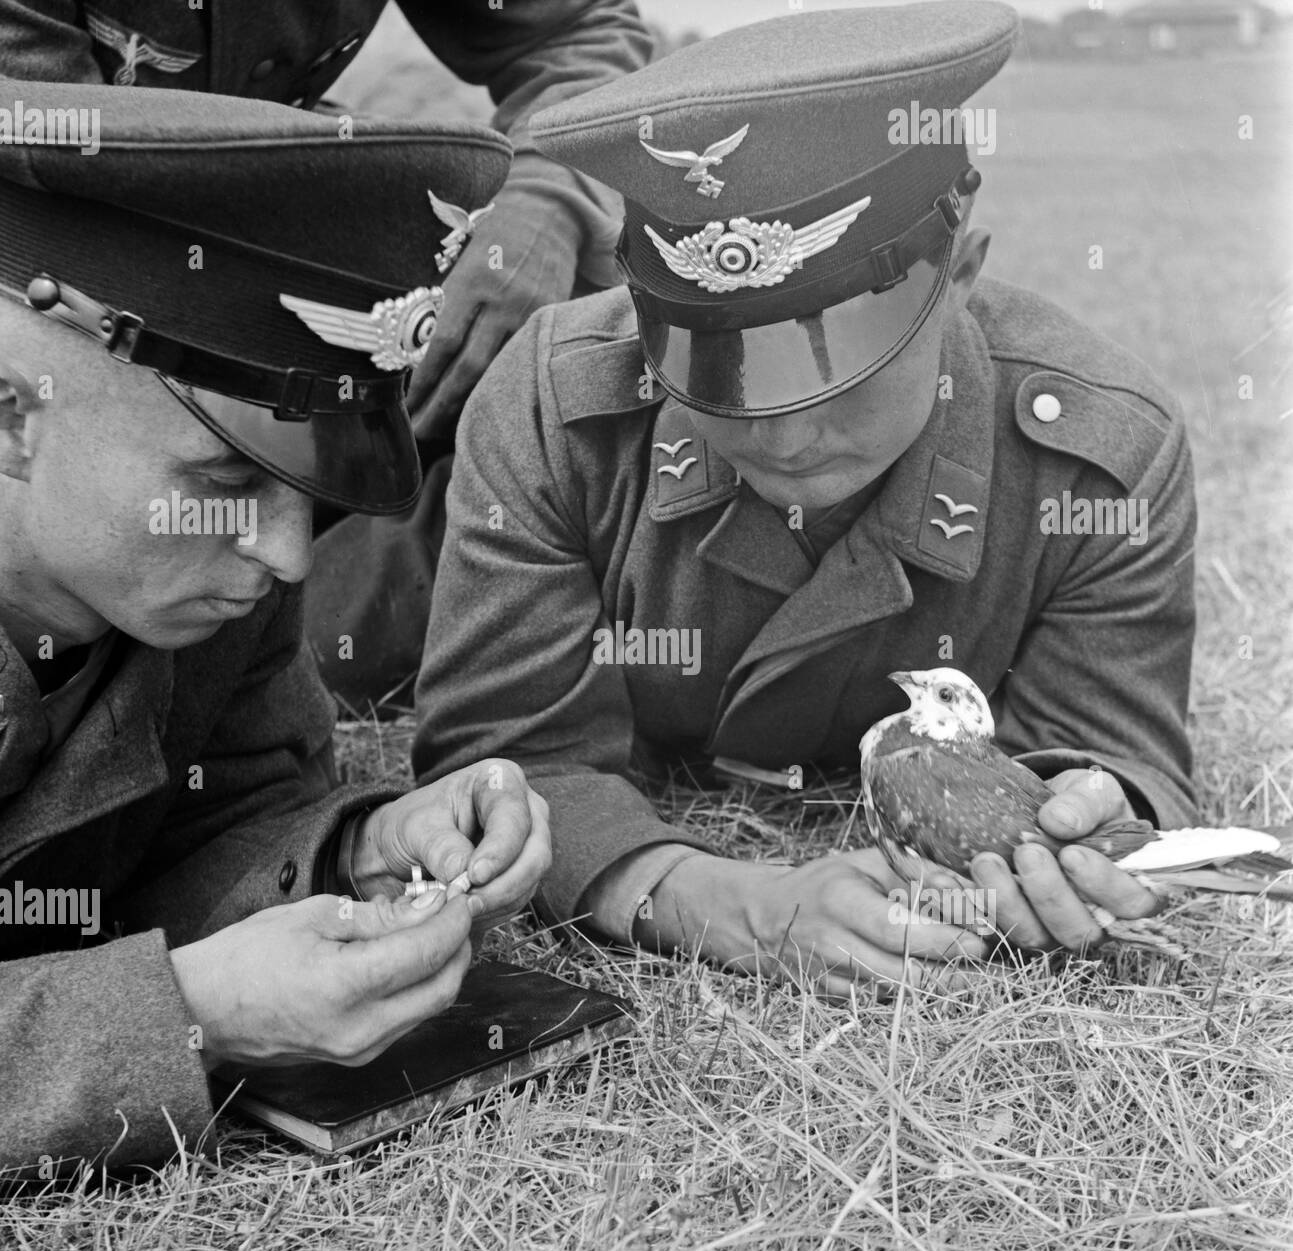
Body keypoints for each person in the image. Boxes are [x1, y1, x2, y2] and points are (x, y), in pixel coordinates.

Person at [412, 2, 1198, 994]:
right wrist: (728, 904)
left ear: (961, 267)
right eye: (721, 375)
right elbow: (504, 762)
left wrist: (1088, 819)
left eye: (839, 376)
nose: (780, 434)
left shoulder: (1100, 457)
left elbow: (1108, 754)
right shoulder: (550, 405)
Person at [0, 78, 550, 1177]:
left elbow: (215, 811)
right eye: (222, 477)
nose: (290, 554)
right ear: (13, 417)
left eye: (311, 491)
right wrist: (193, 1010)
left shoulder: (206, 576)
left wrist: (356, 850)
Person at [0, 0, 654, 709]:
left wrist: (547, 192)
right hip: (97, 340)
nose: (290, 555)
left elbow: (575, 28)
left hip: (284, 337)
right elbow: (44, 195)